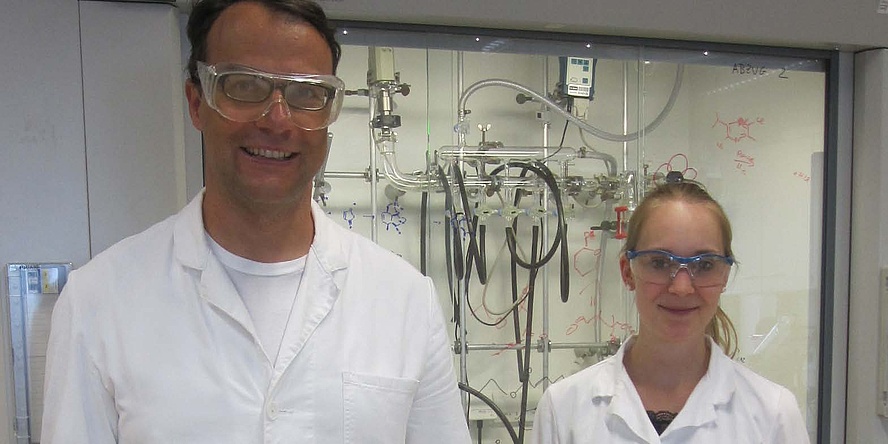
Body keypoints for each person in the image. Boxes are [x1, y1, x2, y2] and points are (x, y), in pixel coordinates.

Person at [40, 0, 471, 442]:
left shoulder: (404, 302)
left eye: (306, 93)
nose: (277, 119)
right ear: (196, 102)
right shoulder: (99, 302)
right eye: (245, 86)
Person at [531, 179, 809, 443]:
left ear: (724, 277)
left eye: (705, 265)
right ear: (628, 272)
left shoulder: (773, 414)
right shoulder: (565, 408)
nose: (682, 287)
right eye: (660, 263)